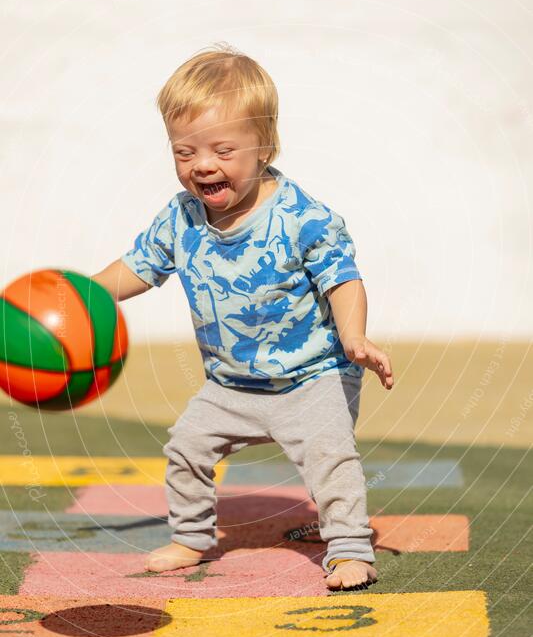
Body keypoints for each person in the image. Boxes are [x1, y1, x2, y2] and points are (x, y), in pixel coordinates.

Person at [93, 43, 394, 590]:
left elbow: (342, 278)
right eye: (184, 152)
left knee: (330, 456)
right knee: (185, 447)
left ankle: (349, 547)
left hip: (313, 375)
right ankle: (192, 536)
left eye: (222, 150)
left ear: (265, 146)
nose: (202, 165)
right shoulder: (181, 218)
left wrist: (354, 336)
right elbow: (139, 267)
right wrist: (83, 295)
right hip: (231, 384)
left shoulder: (303, 217)